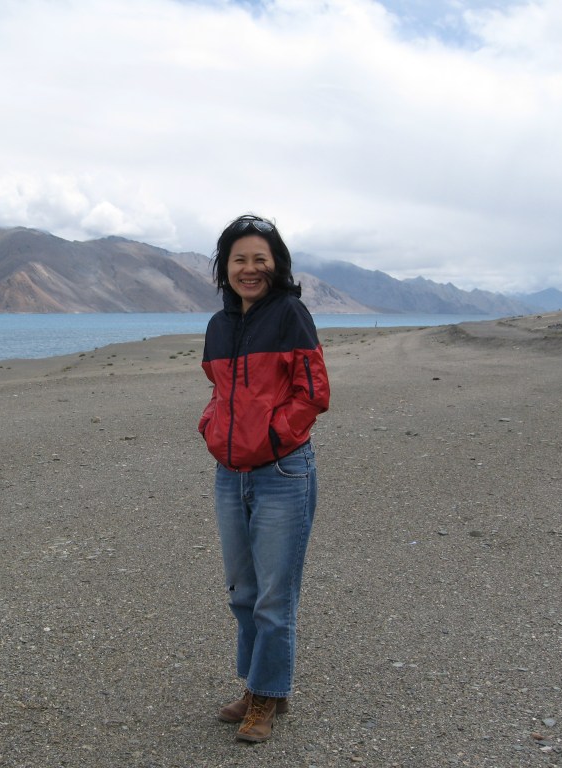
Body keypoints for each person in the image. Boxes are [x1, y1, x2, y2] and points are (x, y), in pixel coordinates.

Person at [198, 214, 330, 743]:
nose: (249, 269)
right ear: (224, 268)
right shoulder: (218, 326)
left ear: (276, 265)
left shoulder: (291, 315)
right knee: (243, 593)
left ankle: (270, 698)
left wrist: (274, 437)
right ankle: (255, 687)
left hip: (281, 472)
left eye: (260, 259)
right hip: (230, 474)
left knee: (275, 596)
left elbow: (313, 392)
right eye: (239, 259)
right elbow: (219, 390)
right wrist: (212, 428)